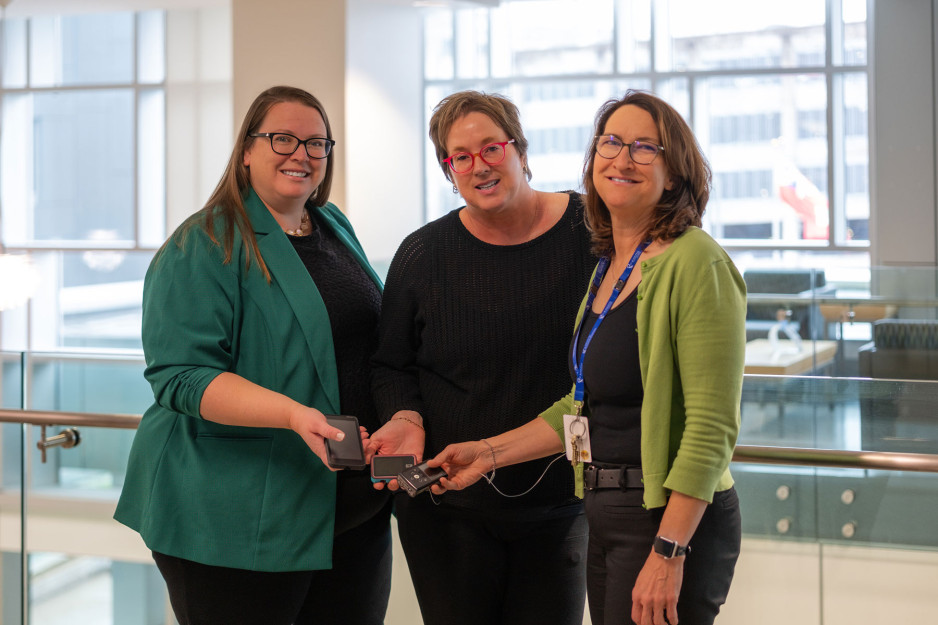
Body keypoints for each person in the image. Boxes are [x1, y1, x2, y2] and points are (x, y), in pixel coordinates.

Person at [428, 89, 746, 625]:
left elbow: (710, 429)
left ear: (675, 173)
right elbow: (585, 406)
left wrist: (668, 553)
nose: (622, 159)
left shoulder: (695, 261)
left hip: (663, 520)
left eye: (645, 148)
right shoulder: (609, 266)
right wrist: (487, 454)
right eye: (611, 143)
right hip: (606, 514)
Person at [114, 85, 391, 625]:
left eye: (316, 143)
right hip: (236, 517)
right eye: (282, 138)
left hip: (351, 509)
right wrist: (292, 414)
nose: (301, 154)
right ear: (246, 150)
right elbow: (181, 376)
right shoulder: (203, 243)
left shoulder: (333, 225)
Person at [369, 90, 597, 625]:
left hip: (560, 502)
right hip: (446, 509)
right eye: (459, 157)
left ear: (519, 148)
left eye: (491, 148)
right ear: (448, 171)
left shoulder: (593, 231)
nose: (479, 166)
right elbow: (390, 364)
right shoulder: (424, 253)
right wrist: (405, 417)